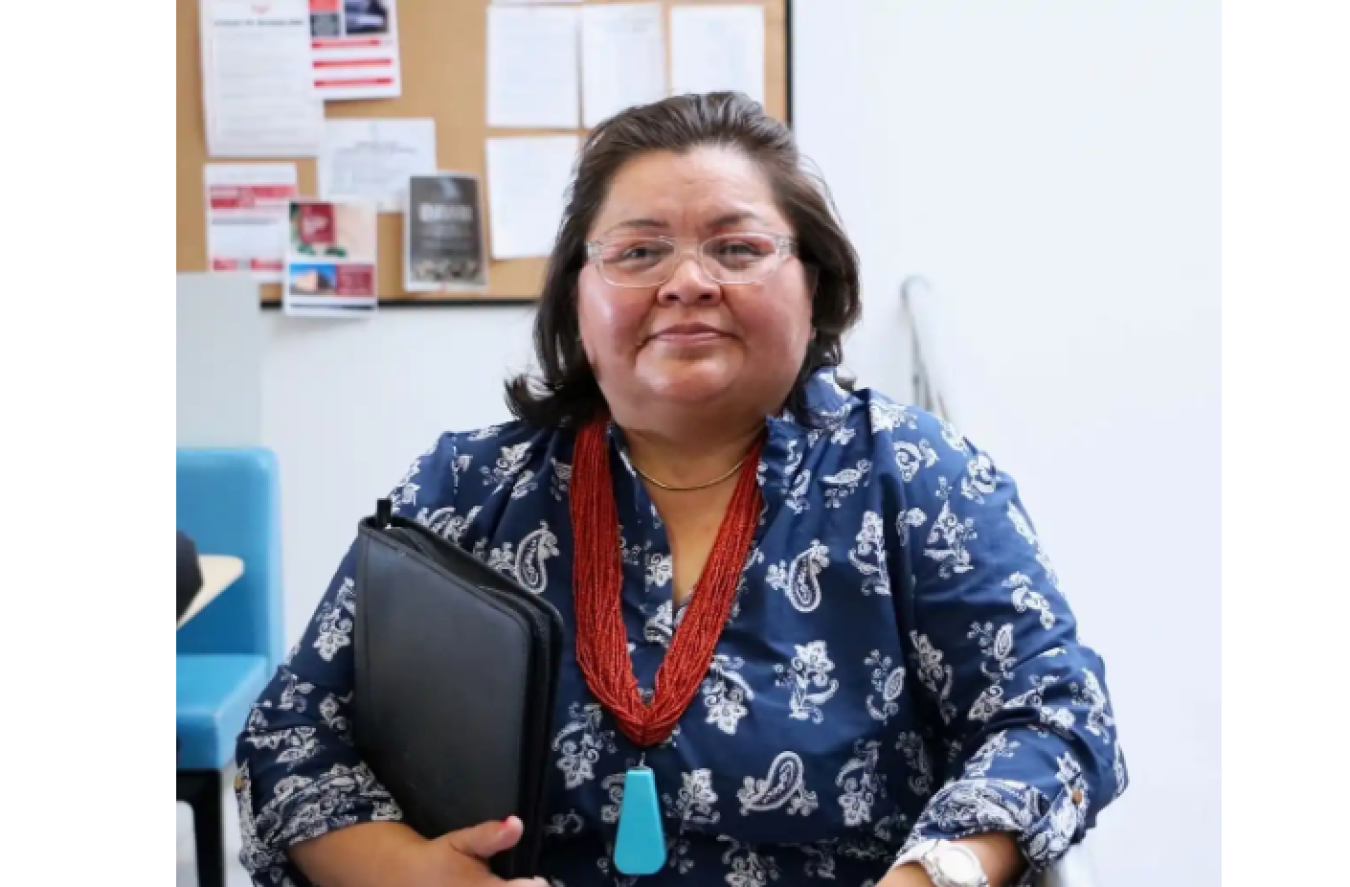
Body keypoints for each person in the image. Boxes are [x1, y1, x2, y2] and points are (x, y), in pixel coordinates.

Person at [235, 92, 1126, 887]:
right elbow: (293, 733)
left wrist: (936, 875)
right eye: (639, 250)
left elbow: (1053, 714)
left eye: (737, 247)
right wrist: (411, 874)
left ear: (811, 284)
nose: (688, 281)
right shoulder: (469, 486)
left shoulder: (915, 478)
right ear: (577, 298)